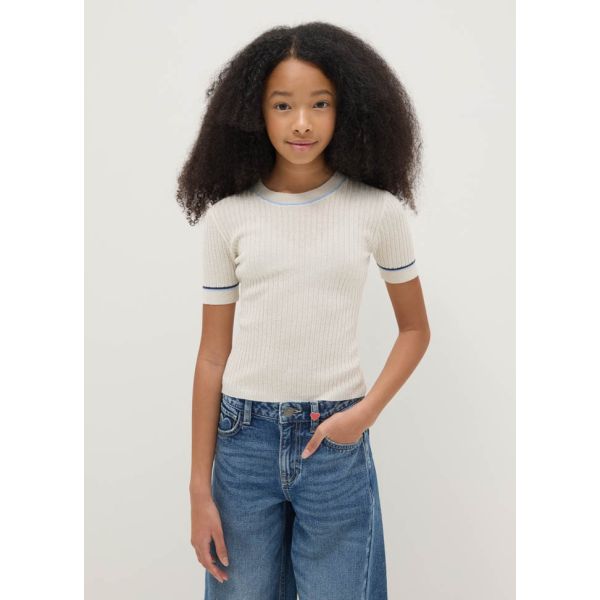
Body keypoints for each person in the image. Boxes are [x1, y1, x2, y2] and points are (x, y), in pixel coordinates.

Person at [177, 21, 431, 600]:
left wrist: (362, 415)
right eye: (282, 105)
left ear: (348, 109)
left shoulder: (377, 211)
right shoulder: (229, 218)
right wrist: (198, 488)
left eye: (320, 103)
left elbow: (415, 329)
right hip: (242, 443)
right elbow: (212, 355)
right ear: (254, 112)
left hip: (335, 441)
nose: (301, 123)